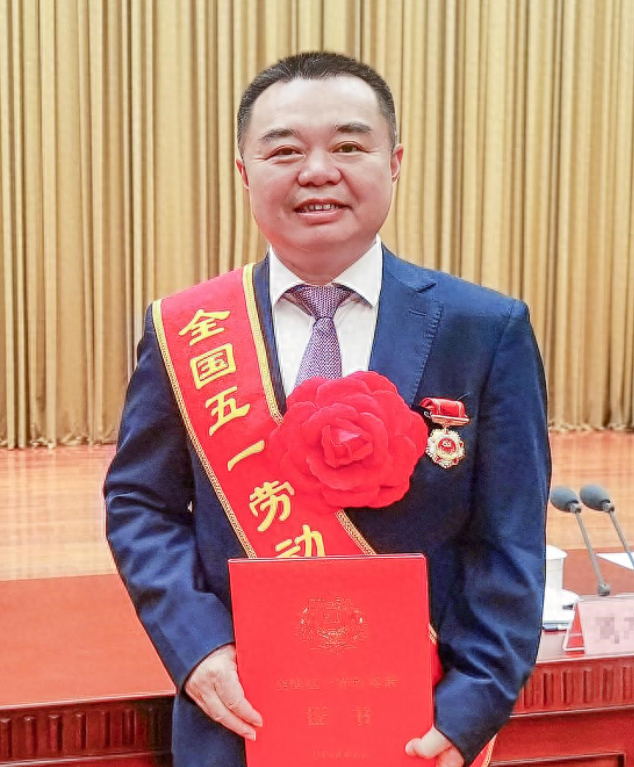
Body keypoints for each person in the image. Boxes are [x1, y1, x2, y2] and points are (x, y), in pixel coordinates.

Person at [105, 51, 550, 767]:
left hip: (422, 720)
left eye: (348, 146)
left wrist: (471, 703)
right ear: (245, 173)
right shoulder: (185, 330)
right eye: (285, 151)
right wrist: (197, 648)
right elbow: (140, 504)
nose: (317, 171)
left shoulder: (483, 330)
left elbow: (510, 537)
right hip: (239, 717)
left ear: (394, 162)